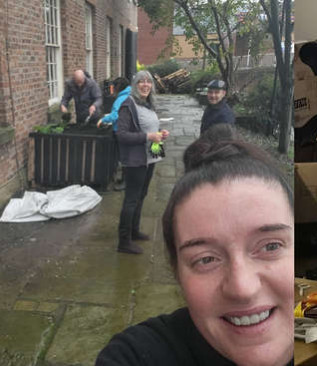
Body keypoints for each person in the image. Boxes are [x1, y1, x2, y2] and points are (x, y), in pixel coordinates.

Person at [95, 128, 294, 366]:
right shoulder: (136, 356)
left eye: (271, 246)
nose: (242, 288)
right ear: (177, 272)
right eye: (206, 259)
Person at [114, 70, 170, 254]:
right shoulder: (127, 104)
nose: (146, 85)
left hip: (151, 156)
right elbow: (121, 135)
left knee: (142, 195)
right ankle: (124, 241)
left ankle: (134, 231)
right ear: (135, 85)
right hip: (135, 160)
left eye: (148, 81)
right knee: (131, 199)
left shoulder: (148, 103)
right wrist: (148, 136)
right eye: (141, 82)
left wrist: (160, 132)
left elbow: (150, 126)